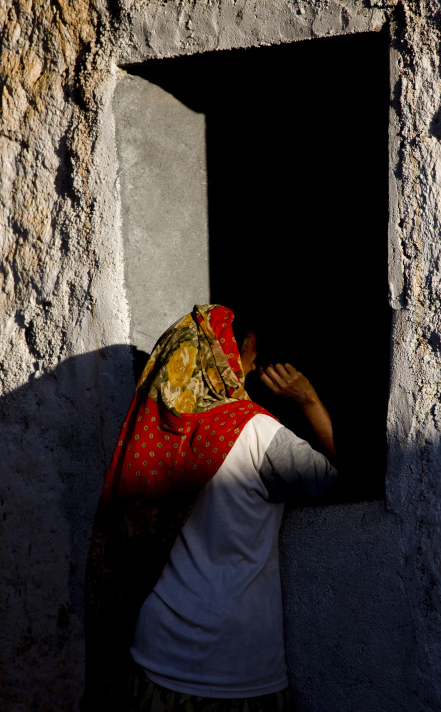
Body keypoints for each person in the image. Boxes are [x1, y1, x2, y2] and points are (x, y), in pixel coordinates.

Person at [82, 304, 338, 712]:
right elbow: (334, 478)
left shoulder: (152, 434)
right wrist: (307, 399)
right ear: (246, 344)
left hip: (154, 656)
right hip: (237, 665)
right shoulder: (255, 429)